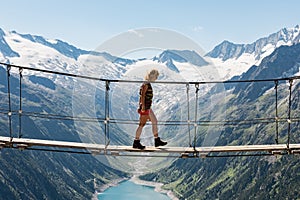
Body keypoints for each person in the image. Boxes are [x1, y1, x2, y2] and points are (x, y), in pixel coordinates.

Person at [133, 69, 167, 149]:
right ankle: (136, 142)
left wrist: (141, 106)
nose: (156, 78)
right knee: (141, 125)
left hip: (148, 107)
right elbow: (143, 95)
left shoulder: (147, 84)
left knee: (154, 121)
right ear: (152, 76)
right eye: (156, 76)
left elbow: (142, 96)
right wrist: (143, 107)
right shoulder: (146, 84)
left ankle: (157, 140)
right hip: (146, 107)